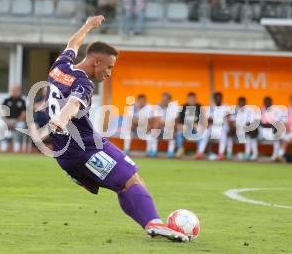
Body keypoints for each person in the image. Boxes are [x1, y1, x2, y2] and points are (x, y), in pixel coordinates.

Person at [45, 15, 189, 242]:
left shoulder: (60, 66)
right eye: (109, 67)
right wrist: (62, 120)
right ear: (96, 62)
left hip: (67, 151)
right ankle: (155, 224)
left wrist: (88, 26)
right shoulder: (83, 83)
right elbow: (73, 104)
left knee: (132, 181)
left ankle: (152, 222)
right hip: (86, 150)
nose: (110, 73)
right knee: (130, 180)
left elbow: (73, 44)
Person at [195, 92, 229, 160]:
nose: (218, 100)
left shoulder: (226, 107)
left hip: (222, 127)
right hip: (212, 127)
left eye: (219, 98)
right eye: (216, 98)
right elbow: (209, 119)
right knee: (205, 134)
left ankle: (221, 154)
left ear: (222, 99)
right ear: (214, 99)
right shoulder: (211, 107)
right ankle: (200, 153)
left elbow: (226, 119)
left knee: (223, 135)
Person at [148, 92, 179, 158]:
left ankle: (170, 152)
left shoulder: (174, 107)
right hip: (160, 126)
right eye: (162, 100)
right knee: (154, 128)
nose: (163, 101)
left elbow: (174, 121)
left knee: (172, 129)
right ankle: (154, 151)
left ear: (169, 100)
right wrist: (162, 123)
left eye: (165, 100)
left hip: (169, 127)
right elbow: (156, 119)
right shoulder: (158, 106)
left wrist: (165, 123)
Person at [0, 85, 27, 153]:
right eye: (14, 90)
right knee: (2, 125)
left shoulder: (22, 101)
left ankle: (16, 146)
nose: (15, 92)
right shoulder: (6, 100)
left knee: (20, 126)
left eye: (17, 90)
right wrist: (6, 121)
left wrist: (15, 121)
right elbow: (3, 113)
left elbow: (23, 114)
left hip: (18, 121)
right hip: (8, 120)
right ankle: (4, 145)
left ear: (19, 91)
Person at [175, 92, 201, 158]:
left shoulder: (200, 107)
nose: (191, 100)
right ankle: (180, 149)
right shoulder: (183, 107)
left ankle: (199, 152)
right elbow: (180, 124)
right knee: (179, 132)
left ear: (195, 99)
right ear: (187, 99)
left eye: (193, 99)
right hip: (185, 130)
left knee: (203, 133)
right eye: (190, 99)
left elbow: (202, 123)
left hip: (196, 130)